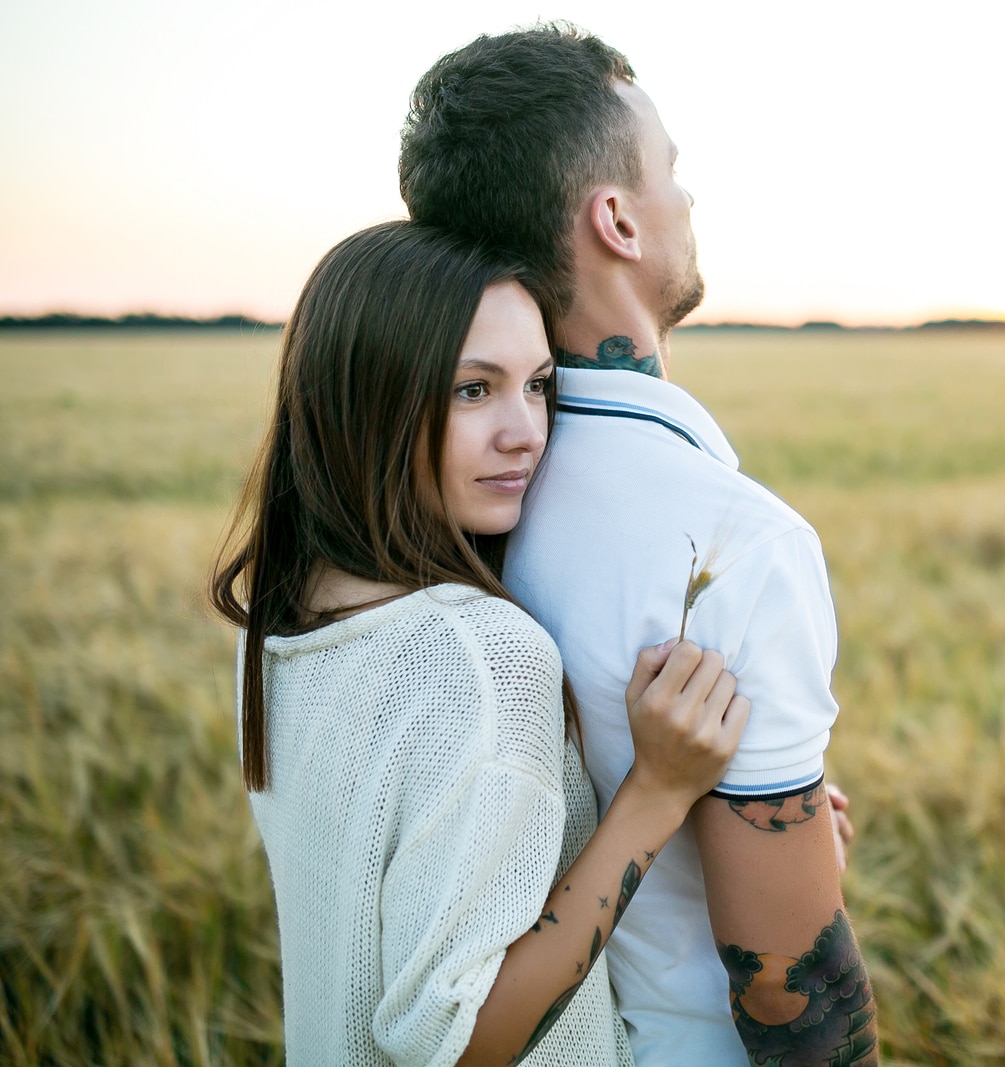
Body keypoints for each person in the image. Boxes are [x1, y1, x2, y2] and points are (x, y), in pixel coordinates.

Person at [400, 24, 879, 1066]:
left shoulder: (443, 489)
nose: (688, 201)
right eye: (671, 172)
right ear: (615, 218)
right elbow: (788, 983)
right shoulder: (736, 543)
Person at [209, 220, 751, 1066]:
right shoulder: (476, 653)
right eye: (473, 390)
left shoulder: (284, 623)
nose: (526, 430)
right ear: (366, 400)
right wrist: (658, 795)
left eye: (538, 385)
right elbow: (458, 1044)